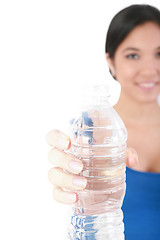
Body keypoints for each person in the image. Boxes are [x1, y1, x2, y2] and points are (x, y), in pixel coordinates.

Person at [46, 4, 160, 239]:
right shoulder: (88, 133)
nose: (150, 69)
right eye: (133, 55)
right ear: (110, 61)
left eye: (159, 54)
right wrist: (73, 187)